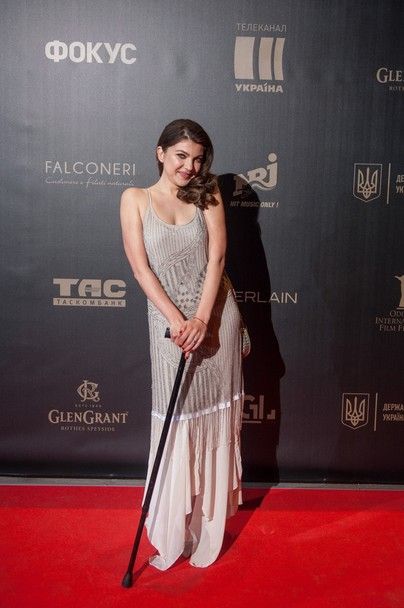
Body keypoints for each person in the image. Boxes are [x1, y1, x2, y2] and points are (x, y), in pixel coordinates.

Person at [120, 119, 244, 570]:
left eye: (197, 159)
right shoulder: (135, 199)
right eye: (180, 156)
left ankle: (205, 532)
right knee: (175, 424)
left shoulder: (207, 193)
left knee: (212, 422)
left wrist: (202, 321)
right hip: (168, 326)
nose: (189, 167)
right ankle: (173, 534)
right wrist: (178, 322)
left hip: (215, 320)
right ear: (160, 153)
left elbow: (217, 258)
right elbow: (141, 269)